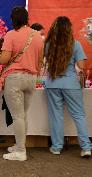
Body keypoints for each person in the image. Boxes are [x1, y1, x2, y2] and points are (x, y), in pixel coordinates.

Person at [0, 7, 44, 161]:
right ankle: (20, 146)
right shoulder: (37, 36)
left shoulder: (11, 35)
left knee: (17, 116)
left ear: (13, 19)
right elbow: (40, 62)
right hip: (31, 79)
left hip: (15, 79)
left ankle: (20, 151)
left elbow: (4, 59)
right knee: (23, 115)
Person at [44, 16, 91, 158]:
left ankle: (57, 146)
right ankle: (86, 147)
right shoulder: (75, 44)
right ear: (68, 29)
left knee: (56, 116)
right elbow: (82, 66)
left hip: (52, 83)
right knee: (79, 115)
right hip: (71, 83)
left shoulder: (48, 45)